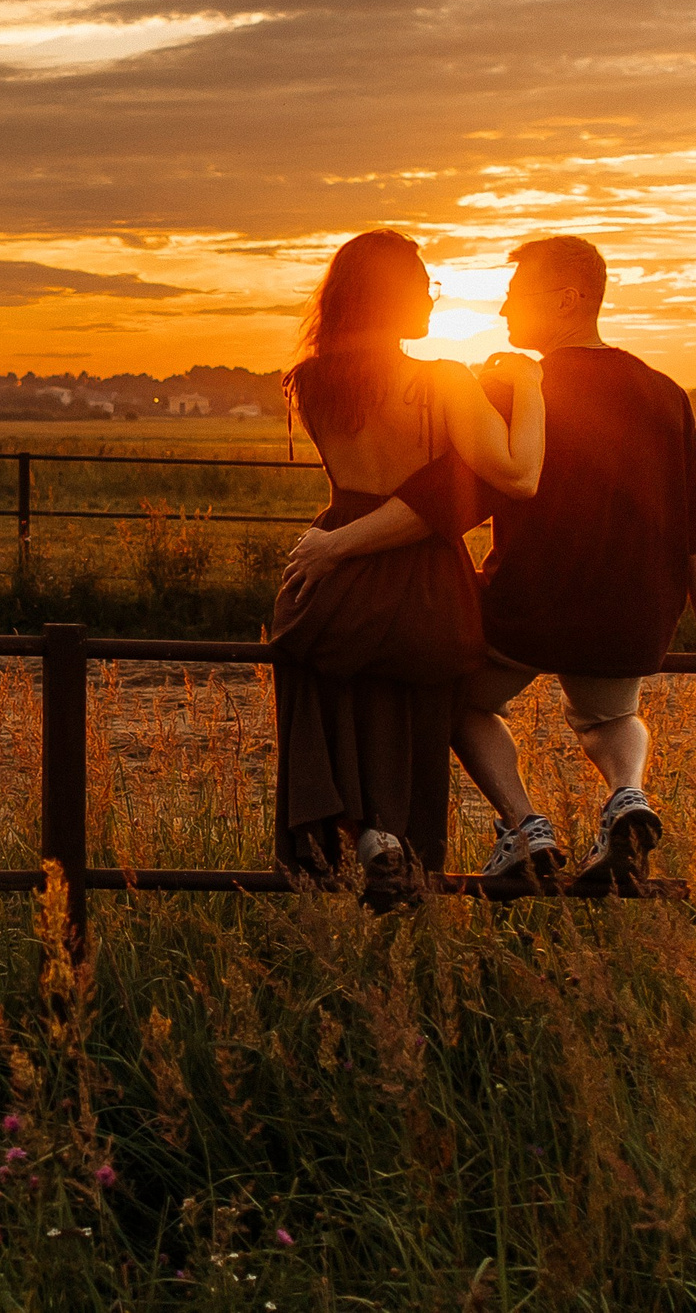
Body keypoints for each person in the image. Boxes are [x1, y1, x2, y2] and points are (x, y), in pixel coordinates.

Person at [288, 235, 696, 887]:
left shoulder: (509, 386)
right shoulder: (665, 394)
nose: (502, 309)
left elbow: (442, 499)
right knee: (611, 717)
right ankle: (627, 797)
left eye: (516, 294)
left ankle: (523, 827)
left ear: (567, 300)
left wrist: (339, 542)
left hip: (527, 607)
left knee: (454, 701)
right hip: (631, 616)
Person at [270, 230, 545, 903]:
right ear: (391, 297)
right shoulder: (442, 381)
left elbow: (365, 482)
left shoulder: (310, 382)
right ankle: (397, 837)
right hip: (422, 576)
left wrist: (341, 545)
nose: (433, 297)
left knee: (345, 692)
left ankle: (367, 831)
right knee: (419, 706)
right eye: (424, 286)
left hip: (331, 575)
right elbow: (517, 474)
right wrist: (531, 386)